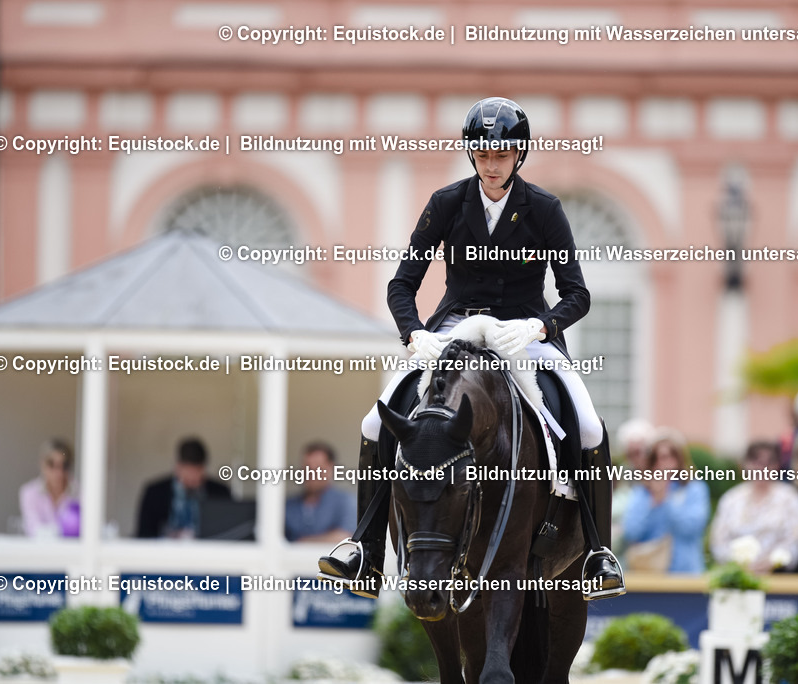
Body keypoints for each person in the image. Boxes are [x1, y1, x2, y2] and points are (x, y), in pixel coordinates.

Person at [318, 97, 625, 600]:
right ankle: (366, 550)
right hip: (454, 329)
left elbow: (577, 293)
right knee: (374, 423)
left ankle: (597, 551)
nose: (491, 164)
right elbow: (402, 284)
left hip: (521, 333)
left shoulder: (544, 208)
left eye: (501, 154)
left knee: (589, 426)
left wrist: (540, 327)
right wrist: (415, 333)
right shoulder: (446, 203)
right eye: (482, 154)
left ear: (519, 154)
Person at [622, 428, 709, 573]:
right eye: (658, 458)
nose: (664, 464)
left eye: (670, 457)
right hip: (649, 573)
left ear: (680, 459)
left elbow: (693, 527)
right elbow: (631, 532)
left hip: (686, 572)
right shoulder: (642, 492)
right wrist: (653, 504)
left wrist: (666, 500)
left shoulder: (694, 488)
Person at [710, 441, 798, 572]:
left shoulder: (790, 498)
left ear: (777, 466)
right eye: (756, 462)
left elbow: (795, 539)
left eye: (768, 463)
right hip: (737, 573)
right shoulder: (731, 499)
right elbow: (718, 541)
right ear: (745, 465)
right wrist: (738, 562)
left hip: (779, 574)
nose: (762, 468)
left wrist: (772, 561)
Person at [136, 437, 231, 538]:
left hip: (207, 547)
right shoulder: (155, 493)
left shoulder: (220, 493)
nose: (191, 477)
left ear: (203, 469)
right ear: (177, 467)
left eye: (196, 472)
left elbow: (229, 532)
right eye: (187, 472)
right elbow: (144, 534)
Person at [285, 442, 355, 543]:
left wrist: (301, 542)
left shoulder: (345, 502)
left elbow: (346, 538)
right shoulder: (288, 505)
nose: (312, 474)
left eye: (318, 468)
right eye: (307, 468)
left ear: (331, 469)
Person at [19, 439, 80, 538]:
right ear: (42, 464)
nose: (58, 472)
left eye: (64, 466)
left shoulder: (81, 492)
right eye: (51, 464)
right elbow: (34, 529)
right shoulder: (29, 492)